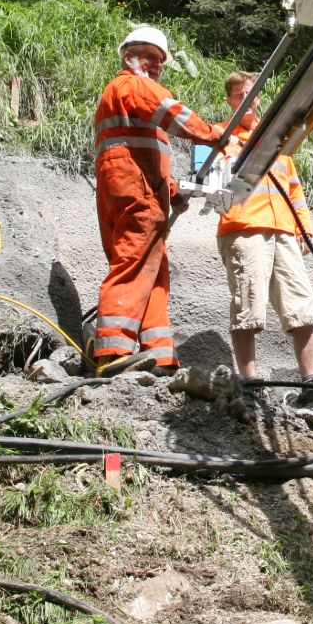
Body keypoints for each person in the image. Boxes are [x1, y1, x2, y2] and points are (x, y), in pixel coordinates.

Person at [91, 26, 223, 377]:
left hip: (131, 188)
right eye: (149, 57)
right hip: (137, 192)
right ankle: (113, 350)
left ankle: (158, 354)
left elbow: (136, 156)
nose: (155, 66)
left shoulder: (119, 97)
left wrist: (172, 190)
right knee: (134, 263)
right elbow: (173, 113)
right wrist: (214, 134)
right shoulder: (132, 85)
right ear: (128, 56)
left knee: (152, 269)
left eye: (160, 61)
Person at [214, 70, 313, 389]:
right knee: (248, 305)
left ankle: (311, 382)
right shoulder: (218, 137)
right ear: (229, 100)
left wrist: (303, 227)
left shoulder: (277, 139)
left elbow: (293, 186)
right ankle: (250, 382)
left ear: (259, 97)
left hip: (284, 230)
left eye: (251, 93)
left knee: (302, 305)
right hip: (244, 230)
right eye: (239, 95)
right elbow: (214, 197)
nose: (247, 100)